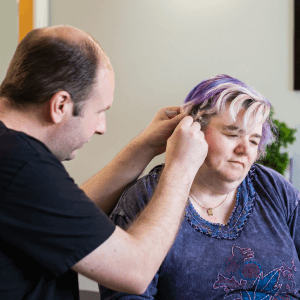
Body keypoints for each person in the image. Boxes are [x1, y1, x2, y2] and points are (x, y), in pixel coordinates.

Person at [0, 25, 208, 300]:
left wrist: (145, 147)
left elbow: (60, 219)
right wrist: (181, 168)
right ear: (60, 104)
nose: (101, 128)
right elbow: (135, 270)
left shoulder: (10, 156)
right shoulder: (22, 165)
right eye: (99, 112)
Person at [100, 74, 300, 299]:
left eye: (254, 140)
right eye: (232, 133)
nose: (245, 149)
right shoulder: (144, 197)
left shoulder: (274, 189)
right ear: (192, 132)